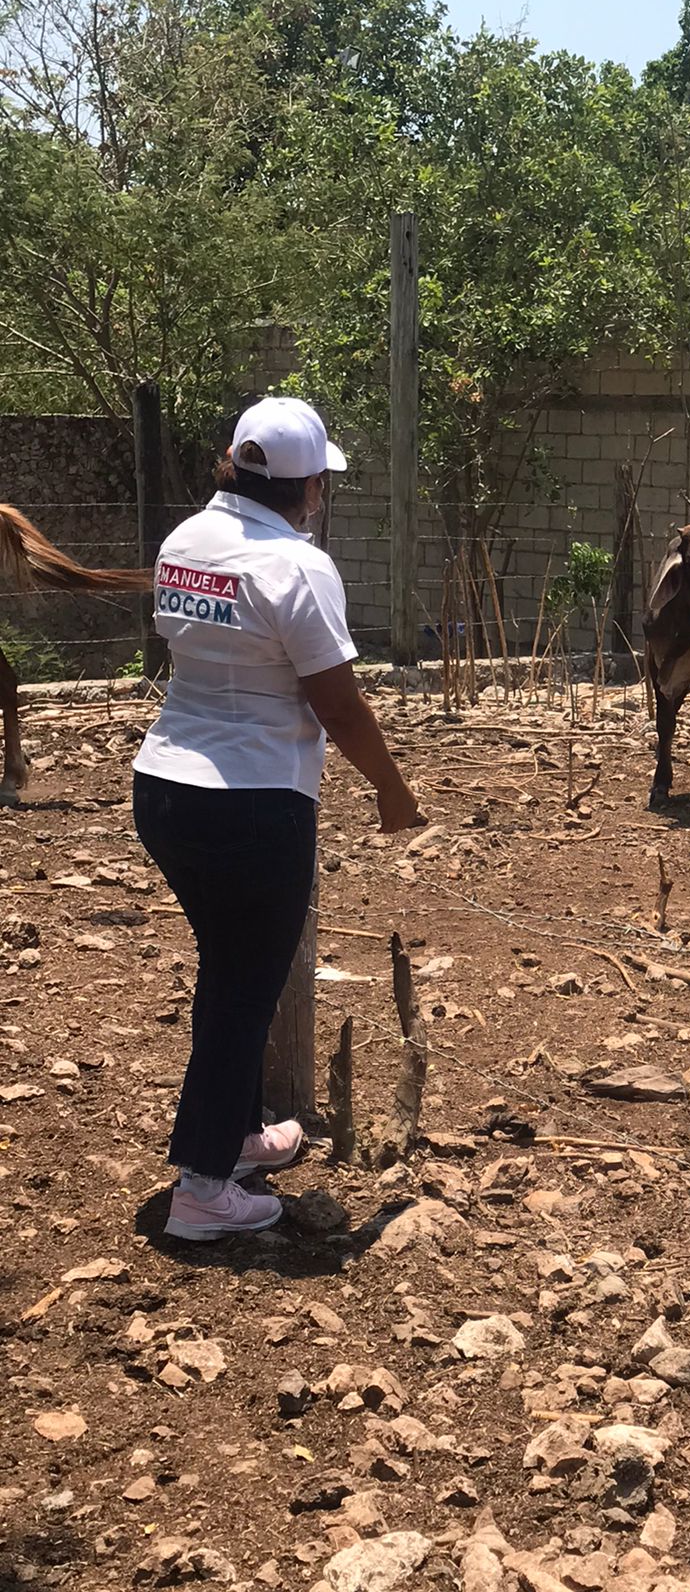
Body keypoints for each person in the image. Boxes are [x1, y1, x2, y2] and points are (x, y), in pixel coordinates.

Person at [133, 396, 419, 1241]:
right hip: (253, 807)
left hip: (166, 790)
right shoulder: (299, 567)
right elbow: (338, 704)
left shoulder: (184, 541)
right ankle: (204, 1192)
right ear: (309, 487)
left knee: (229, 974)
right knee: (242, 989)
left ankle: (232, 1135)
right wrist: (392, 790)